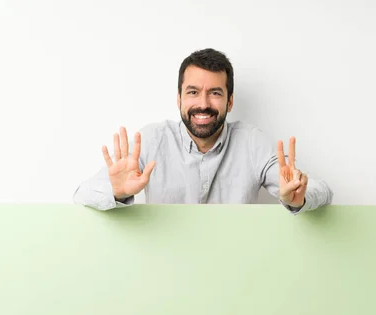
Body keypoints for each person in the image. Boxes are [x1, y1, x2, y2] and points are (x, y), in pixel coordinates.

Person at [73, 48, 333, 214]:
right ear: (179, 99)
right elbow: (82, 194)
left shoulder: (252, 143)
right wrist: (117, 192)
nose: (203, 104)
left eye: (215, 93)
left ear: (230, 101)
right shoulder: (152, 140)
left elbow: (322, 190)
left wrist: (298, 198)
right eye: (193, 92)